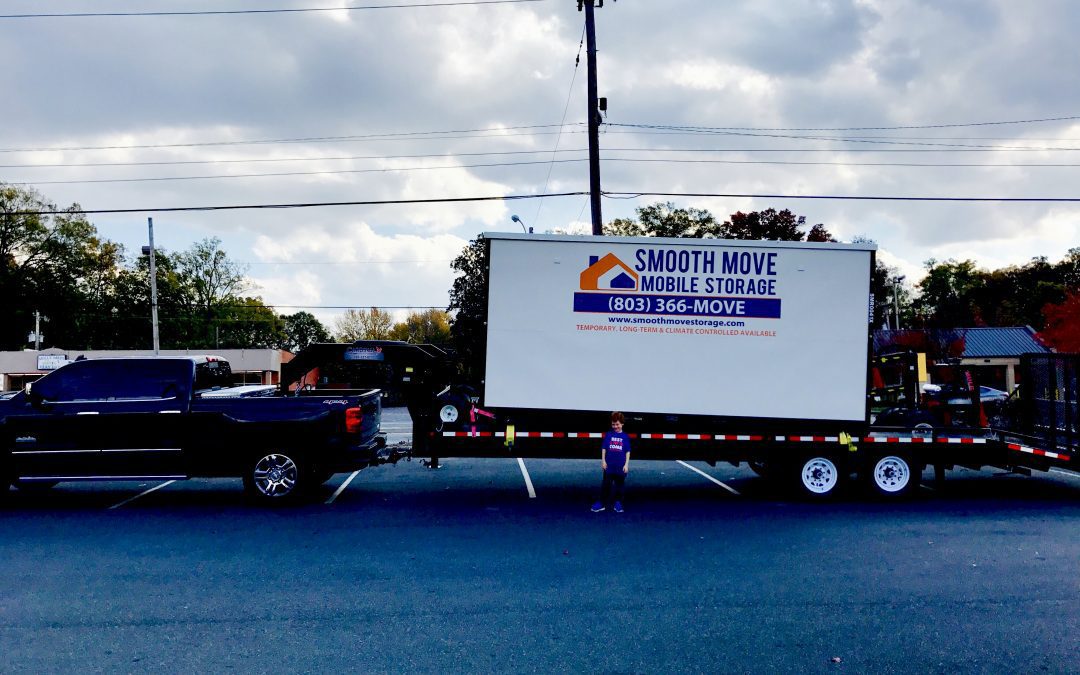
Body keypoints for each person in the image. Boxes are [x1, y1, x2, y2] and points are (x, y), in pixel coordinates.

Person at [592, 411, 631, 513]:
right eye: (613, 424)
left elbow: (627, 451)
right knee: (606, 485)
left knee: (620, 486)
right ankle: (601, 503)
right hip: (609, 466)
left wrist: (626, 464)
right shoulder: (609, 435)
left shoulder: (625, 437)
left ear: (622, 423)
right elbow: (604, 448)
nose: (615, 426)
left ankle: (618, 503)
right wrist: (603, 461)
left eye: (617, 424)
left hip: (620, 466)